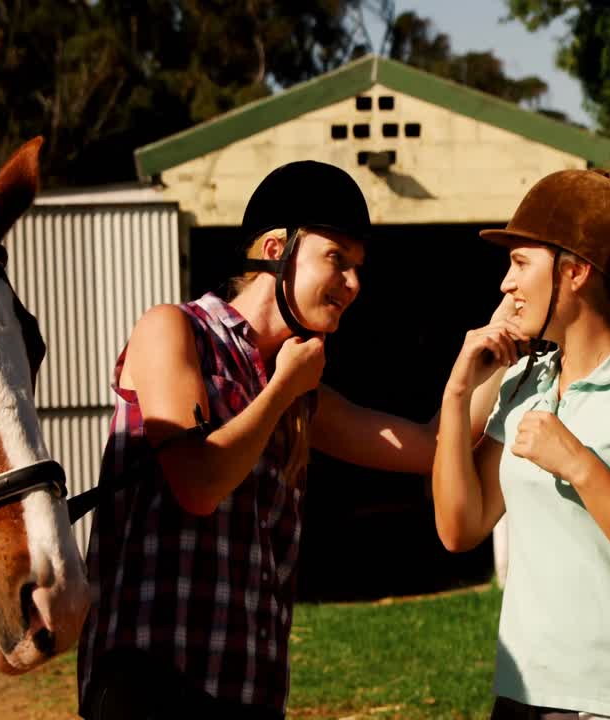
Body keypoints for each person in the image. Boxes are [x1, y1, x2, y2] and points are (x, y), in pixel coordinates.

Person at [76, 160, 496, 719]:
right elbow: (198, 484)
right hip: (152, 682)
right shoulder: (175, 331)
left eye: (358, 268)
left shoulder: (299, 390)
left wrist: (490, 360)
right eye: (337, 260)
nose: (353, 284)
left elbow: (433, 446)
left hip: (247, 690)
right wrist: (279, 392)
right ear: (276, 249)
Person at [432, 169, 610, 720]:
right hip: (519, 698)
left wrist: (579, 464)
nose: (505, 285)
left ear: (576, 271)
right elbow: (459, 528)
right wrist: (458, 390)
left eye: (520, 264)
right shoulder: (525, 383)